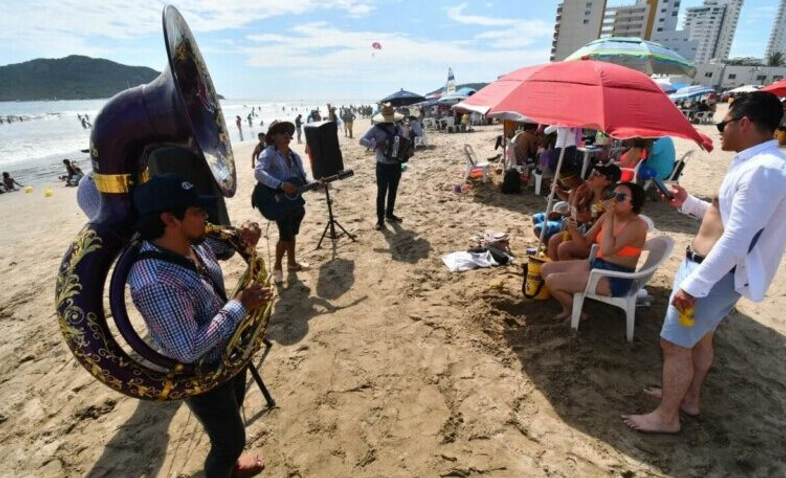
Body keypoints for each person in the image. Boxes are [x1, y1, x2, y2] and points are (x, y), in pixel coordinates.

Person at [622, 91, 786, 434]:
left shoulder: (764, 170)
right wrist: (688, 203)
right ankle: (687, 398)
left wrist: (694, 285)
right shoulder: (753, 163)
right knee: (700, 339)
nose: (718, 130)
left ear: (744, 123)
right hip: (709, 269)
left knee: (674, 344)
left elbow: (738, 238)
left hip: (713, 274)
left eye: (721, 123)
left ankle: (667, 416)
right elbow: (724, 217)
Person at [128, 173, 270, 478]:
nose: (206, 217)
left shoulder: (193, 241)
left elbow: (227, 246)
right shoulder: (154, 282)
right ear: (170, 219)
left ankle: (231, 468)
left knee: (234, 408)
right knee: (230, 441)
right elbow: (188, 349)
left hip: (228, 354)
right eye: (197, 212)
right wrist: (240, 305)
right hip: (202, 373)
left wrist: (246, 232)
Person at [541, 182, 648, 322]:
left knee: (553, 281)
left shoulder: (636, 225)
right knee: (546, 269)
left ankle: (578, 313)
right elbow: (585, 242)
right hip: (599, 264)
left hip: (616, 277)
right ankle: (570, 308)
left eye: (620, 197)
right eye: (612, 195)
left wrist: (609, 216)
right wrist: (573, 230)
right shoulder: (607, 217)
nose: (613, 200)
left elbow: (607, 249)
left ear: (633, 204)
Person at [254, 120, 312, 284]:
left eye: (288, 132)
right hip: (275, 200)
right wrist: (280, 185)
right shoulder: (269, 153)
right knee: (285, 234)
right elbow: (258, 173)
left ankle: (292, 263)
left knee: (291, 233)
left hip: (292, 201)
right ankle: (278, 266)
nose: (287, 134)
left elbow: (303, 178)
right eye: (282, 132)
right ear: (273, 136)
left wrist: (318, 183)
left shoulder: (295, 156)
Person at [552, 164, 621, 261]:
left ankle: (566, 271)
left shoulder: (608, 202)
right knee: (554, 241)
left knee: (562, 247)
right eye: (593, 171)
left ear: (607, 182)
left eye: (597, 174)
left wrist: (576, 199)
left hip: (598, 240)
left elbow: (579, 217)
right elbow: (575, 214)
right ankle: (556, 270)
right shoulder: (590, 192)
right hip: (586, 231)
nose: (592, 175)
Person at [359, 103, 406, 230]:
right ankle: (380, 219)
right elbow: (362, 140)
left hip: (396, 165)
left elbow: (403, 142)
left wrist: (406, 151)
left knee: (393, 191)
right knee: (381, 193)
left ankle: (389, 214)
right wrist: (376, 144)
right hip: (383, 166)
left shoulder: (398, 128)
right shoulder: (376, 128)